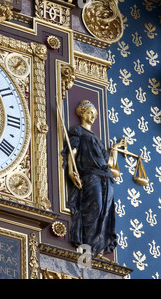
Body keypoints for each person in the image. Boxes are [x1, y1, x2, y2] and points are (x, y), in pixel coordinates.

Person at [62, 100, 125, 258]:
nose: (93, 116)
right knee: (94, 208)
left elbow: (108, 163)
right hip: (90, 175)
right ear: (82, 113)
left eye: (95, 114)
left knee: (105, 212)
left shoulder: (98, 140)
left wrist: (115, 150)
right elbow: (73, 152)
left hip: (106, 177)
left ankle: (98, 248)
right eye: (90, 112)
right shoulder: (78, 131)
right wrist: (71, 170)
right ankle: (87, 249)